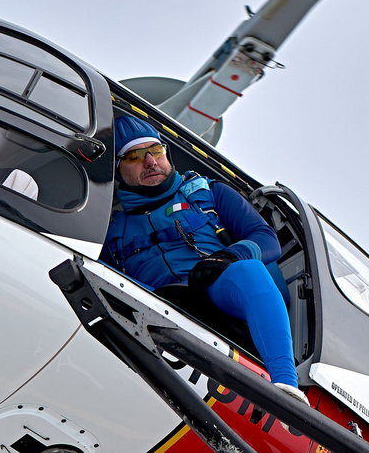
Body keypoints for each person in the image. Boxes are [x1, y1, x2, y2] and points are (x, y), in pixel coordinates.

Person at [101, 116, 308, 405]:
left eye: (156, 151)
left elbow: (265, 238)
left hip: (216, 290)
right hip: (156, 310)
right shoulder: (112, 230)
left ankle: (286, 387)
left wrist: (227, 257)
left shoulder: (208, 193)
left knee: (249, 270)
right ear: (117, 167)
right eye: (135, 155)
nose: (150, 162)